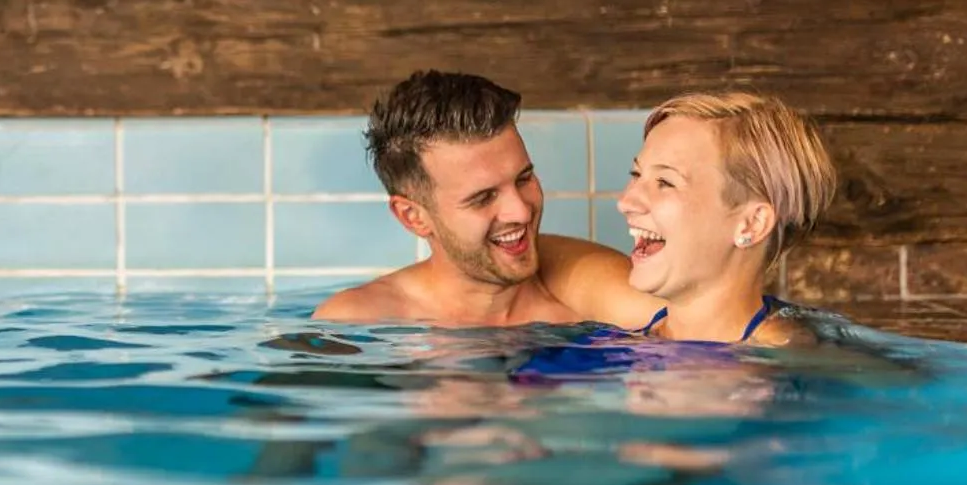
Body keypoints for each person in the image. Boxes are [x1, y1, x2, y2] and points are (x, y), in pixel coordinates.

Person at [542, 92, 838, 347]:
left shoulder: (775, 370)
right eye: (636, 175)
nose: (625, 202)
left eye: (666, 182)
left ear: (751, 224)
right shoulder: (633, 326)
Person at [314, 71, 587, 326]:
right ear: (413, 217)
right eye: (483, 197)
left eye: (524, 178)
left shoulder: (589, 312)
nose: (521, 212)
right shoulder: (357, 323)